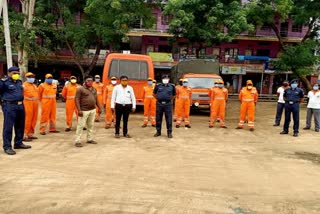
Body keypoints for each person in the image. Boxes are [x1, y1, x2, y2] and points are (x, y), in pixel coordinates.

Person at [0, 66, 31, 155]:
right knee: (8, 127)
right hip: (9, 106)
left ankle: (18, 143)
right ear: (9, 73)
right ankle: (7, 146)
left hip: (20, 105)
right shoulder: (4, 82)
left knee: (20, 125)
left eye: (17, 73)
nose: (16, 75)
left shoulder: (19, 82)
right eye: (14, 73)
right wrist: (3, 104)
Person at [74, 75, 102, 147]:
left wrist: (99, 107)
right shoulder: (80, 89)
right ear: (85, 81)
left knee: (91, 125)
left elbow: (96, 99)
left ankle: (89, 139)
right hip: (83, 110)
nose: (90, 82)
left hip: (92, 110)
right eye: (88, 81)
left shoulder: (94, 89)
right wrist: (79, 110)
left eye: (91, 81)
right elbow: (76, 99)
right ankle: (78, 141)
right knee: (81, 126)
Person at [23, 72, 39, 141]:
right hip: (27, 104)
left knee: (34, 119)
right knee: (27, 119)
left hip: (35, 104)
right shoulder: (24, 85)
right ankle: (24, 135)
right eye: (30, 77)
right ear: (27, 78)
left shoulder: (34, 86)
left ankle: (30, 134)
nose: (32, 78)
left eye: (32, 77)